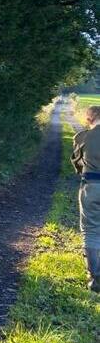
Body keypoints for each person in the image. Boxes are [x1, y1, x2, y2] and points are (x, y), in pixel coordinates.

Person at [71, 104, 100, 292]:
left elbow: (76, 162)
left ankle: (96, 278)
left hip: (93, 187)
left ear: (89, 119)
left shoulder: (83, 136)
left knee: (91, 231)